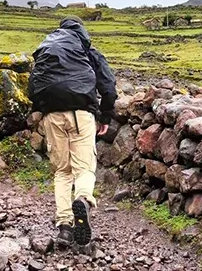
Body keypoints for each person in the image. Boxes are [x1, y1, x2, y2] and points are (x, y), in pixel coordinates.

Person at [28, 16, 117, 246]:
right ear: (82, 30)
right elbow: (108, 86)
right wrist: (105, 116)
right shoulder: (87, 51)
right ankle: (84, 200)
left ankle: (65, 228)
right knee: (84, 166)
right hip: (81, 112)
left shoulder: (46, 47)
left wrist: (42, 110)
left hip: (52, 114)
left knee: (62, 171)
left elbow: (33, 85)